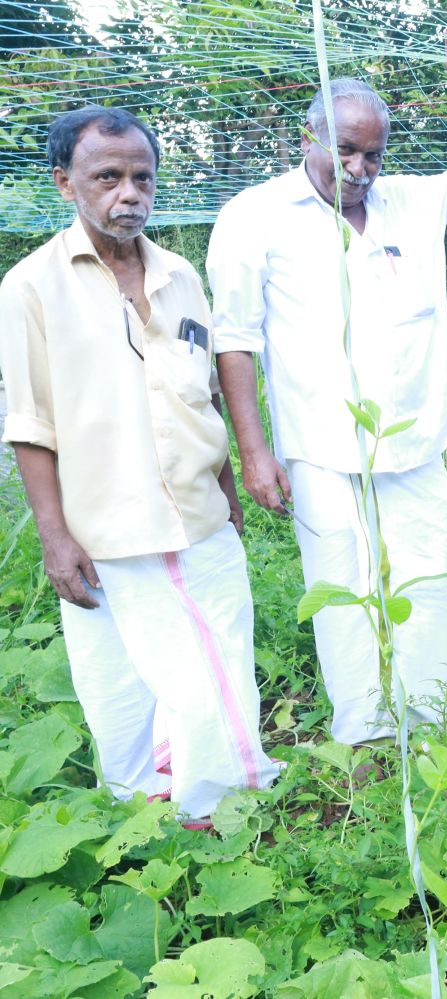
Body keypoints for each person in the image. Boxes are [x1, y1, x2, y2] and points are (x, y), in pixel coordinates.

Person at [207, 29, 447, 746]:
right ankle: (366, 737)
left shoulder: (410, 200)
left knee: (429, 581)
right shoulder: (255, 216)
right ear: (305, 136)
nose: (360, 166)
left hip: (414, 441)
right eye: (344, 149)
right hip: (321, 449)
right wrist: (254, 453)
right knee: (347, 594)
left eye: (373, 152)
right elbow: (235, 341)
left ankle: (436, 722)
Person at [0, 107, 281, 821]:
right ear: (67, 183)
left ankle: (220, 808)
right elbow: (30, 423)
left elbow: (202, 393)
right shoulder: (31, 287)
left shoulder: (180, 275)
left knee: (214, 665)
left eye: (140, 177)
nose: (128, 192)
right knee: (115, 679)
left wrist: (227, 484)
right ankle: (142, 809)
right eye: (107, 177)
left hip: (195, 515)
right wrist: (54, 535)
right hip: (102, 523)